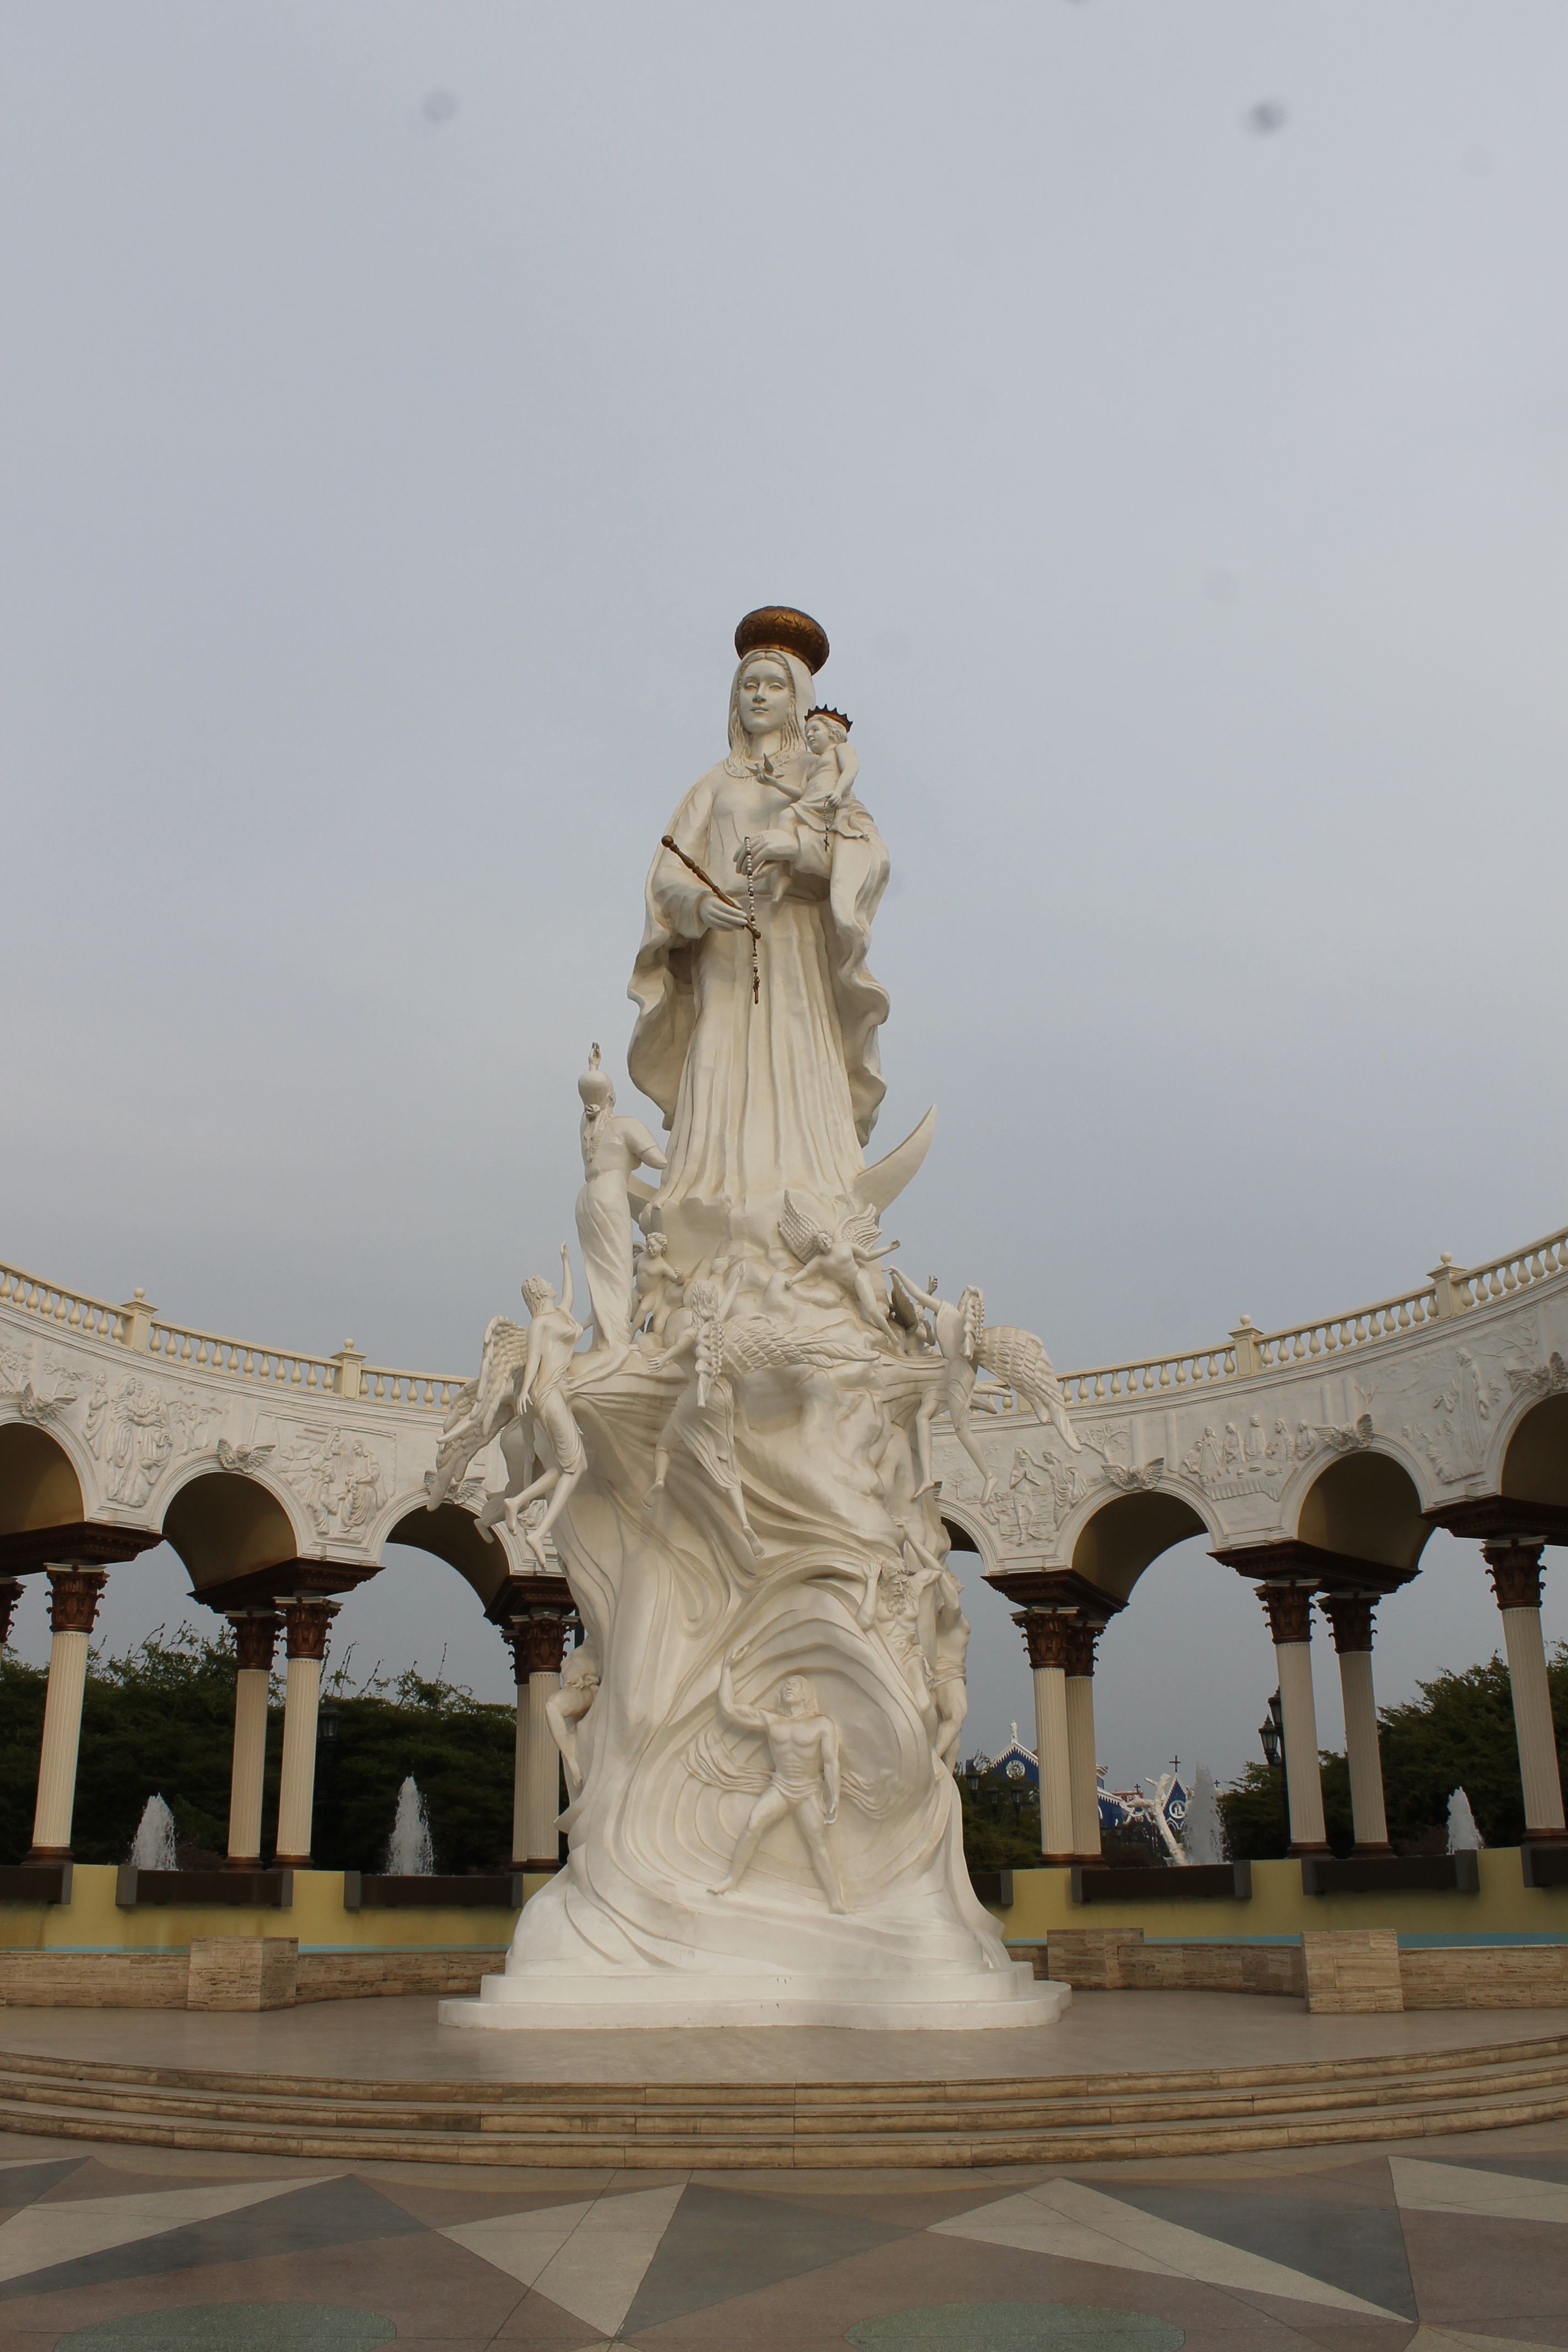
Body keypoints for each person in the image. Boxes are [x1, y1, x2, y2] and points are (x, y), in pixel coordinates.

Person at [628, 616, 889, 1261]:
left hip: (794, 946)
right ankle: (713, 1197)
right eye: (748, 684)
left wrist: (795, 845)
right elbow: (666, 873)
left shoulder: (821, 775)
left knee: (795, 1055)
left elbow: (868, 857)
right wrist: (696, 904)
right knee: (723, 1060)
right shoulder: (713, 785)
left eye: (773, 684)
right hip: (724, 955)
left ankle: (810, 1196)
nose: (759, 696)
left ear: (796, 697)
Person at [706, 1649, 845, 1912]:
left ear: (806, 1695)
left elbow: (831, 1762)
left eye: (795, 1686)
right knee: (754, 1823)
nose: (788, 1688)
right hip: (781, 1787)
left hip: (808, 1790)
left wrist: (834, 1796)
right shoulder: (772, 1720)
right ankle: (732, 1880)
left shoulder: (822, 1724)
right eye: (786, 1686)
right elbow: (729, 1710)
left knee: (819, 1842)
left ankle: (836, 1900)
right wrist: (726, 1669)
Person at [574, 1045, 666, 1352]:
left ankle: (602, 1340)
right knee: (617, 1270)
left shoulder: (586, 1129)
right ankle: (615, 1341)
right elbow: (658, 1160)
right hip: (609, 1197)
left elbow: (592, 1104)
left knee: (598, 1272)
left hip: (586, 1199)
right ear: (612, 1096)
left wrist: (593, 1068)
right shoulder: (625, 1127)